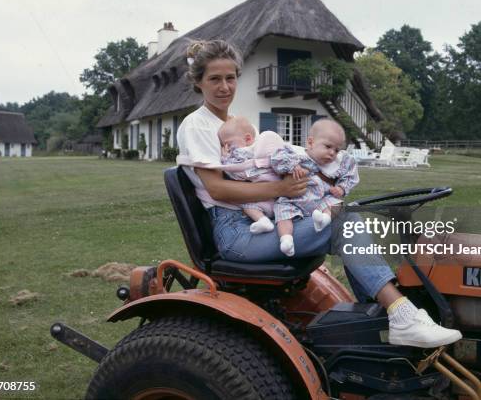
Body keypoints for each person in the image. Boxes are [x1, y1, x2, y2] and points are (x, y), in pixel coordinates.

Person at [176, 39, 462, 348]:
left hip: (265, 220)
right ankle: (402, 316)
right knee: (342, 224)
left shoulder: (235, 124)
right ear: (199, 82)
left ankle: (381, 320)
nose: (224, 86)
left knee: (342, 211)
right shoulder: (197, 126)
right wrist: (281, 188)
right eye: (214, 79)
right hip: (236, 233)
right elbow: (216, 187)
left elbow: (267, 161)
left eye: (230, 78)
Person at [270, 119, 359, 257]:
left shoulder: (335, 165)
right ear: (310, 143)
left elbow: (350, 174)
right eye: (328, 146)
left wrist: (341, 188)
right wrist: (293, 166)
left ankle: (324, 220)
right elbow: (276, 159)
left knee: (335, 203)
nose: (332, 153)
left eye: (336, 150)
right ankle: (286, 239)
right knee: (282, 211)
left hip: (320, 201)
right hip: (294, 201)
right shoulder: (296, 155)